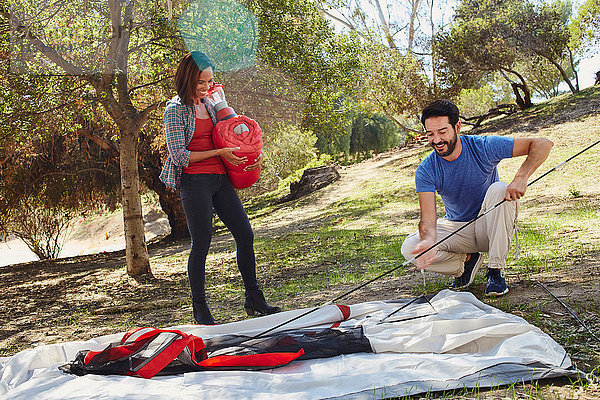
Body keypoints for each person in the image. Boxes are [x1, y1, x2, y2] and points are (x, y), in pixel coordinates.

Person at [160, 51, 280, 324]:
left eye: (210, 82)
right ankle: (200, 309)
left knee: (245, 234)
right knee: (201, 244)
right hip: (195, 182)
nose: (206, 88)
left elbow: (238, 131)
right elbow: (179, 155)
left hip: (221, 179)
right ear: (187, 79)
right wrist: (221, 153)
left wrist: (252, 152)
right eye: (201, 82)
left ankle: (254, 297)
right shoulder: (174, 110)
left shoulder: (213, 105)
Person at [401, 100, 553, 296]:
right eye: (430, 134)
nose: (436, 140)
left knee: (499, 189)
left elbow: (542, 144)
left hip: (490, 227)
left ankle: (496, 271)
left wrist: (521, 178)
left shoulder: (482, 146)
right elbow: (428, 218)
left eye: (442, 131)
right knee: (411, 247)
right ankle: (466, 262)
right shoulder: (426, 169)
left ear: (457, 127)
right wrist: (428, 240)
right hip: (459, 228)